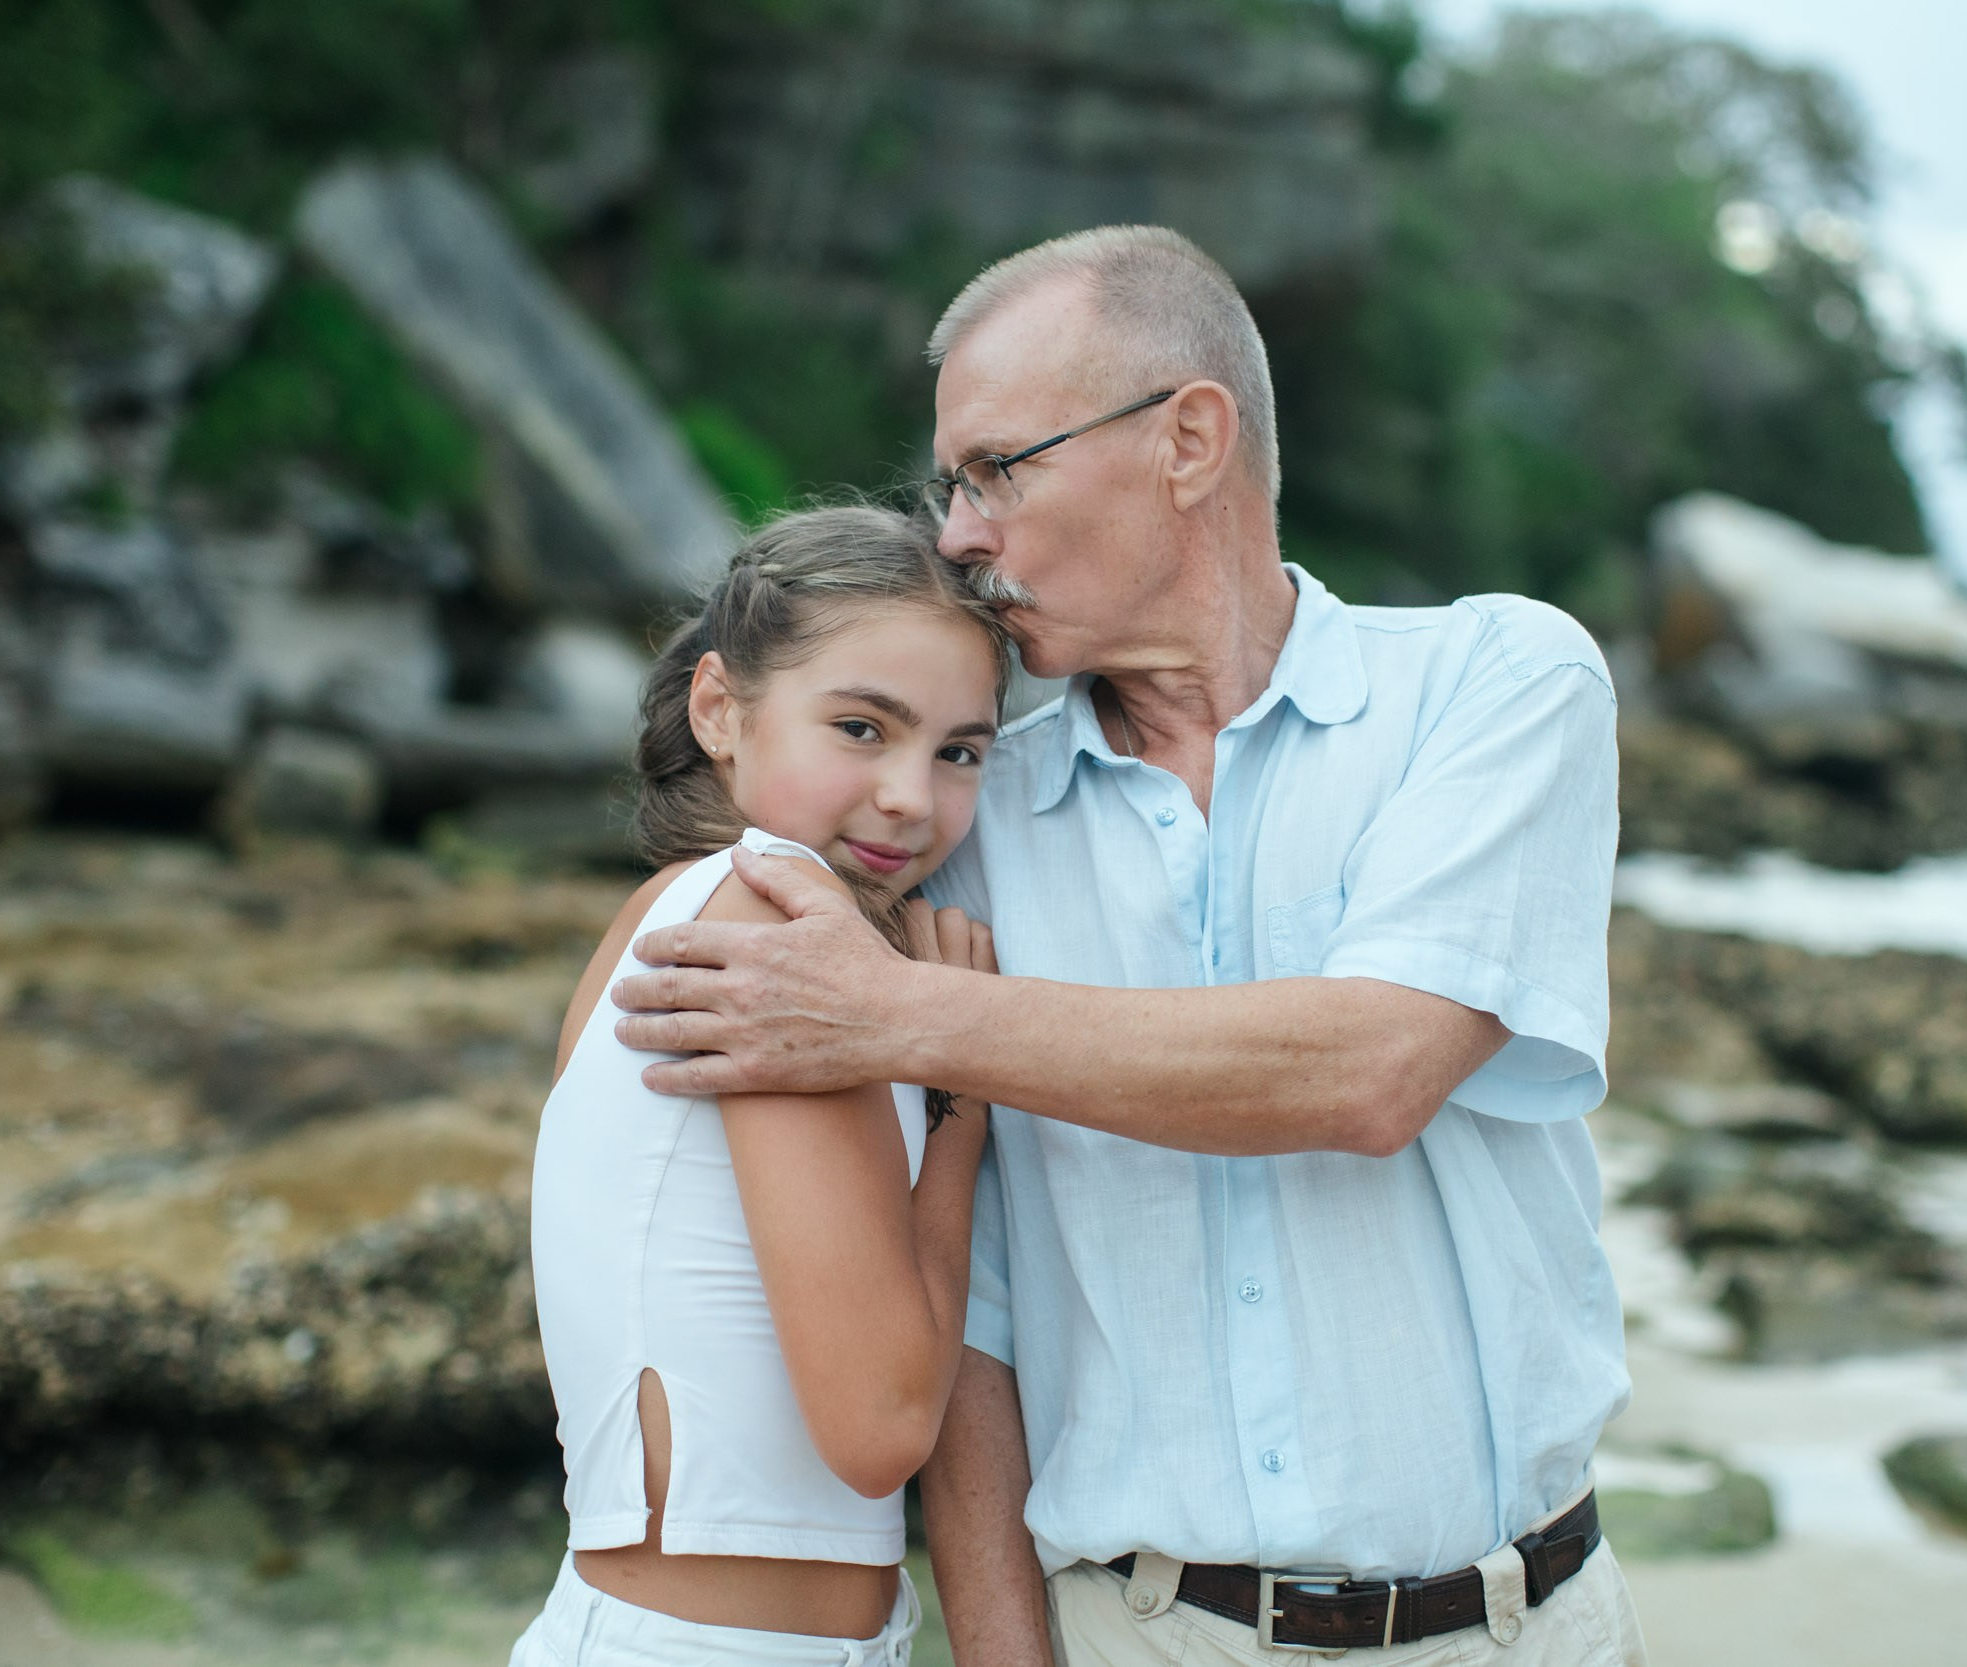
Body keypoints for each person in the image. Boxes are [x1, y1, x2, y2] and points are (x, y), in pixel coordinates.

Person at [613, 226, 1646, 1667]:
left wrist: (900, 1013)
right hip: (1141, 1632)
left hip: (1522, 1625)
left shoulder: (1497, 681)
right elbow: (975, 1321)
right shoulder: (964, 825)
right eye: (950, 484)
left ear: (1190, 439)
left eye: (995, 470)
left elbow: (1375, 1067)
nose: (960, 531)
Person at [511, 505, 1012, 1667]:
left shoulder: (672, 911)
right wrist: (963, 1103)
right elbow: (880, 1427)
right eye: (859, 725)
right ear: (720, 709)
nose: (908, 796)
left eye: (959, 750)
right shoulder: (770, 931)